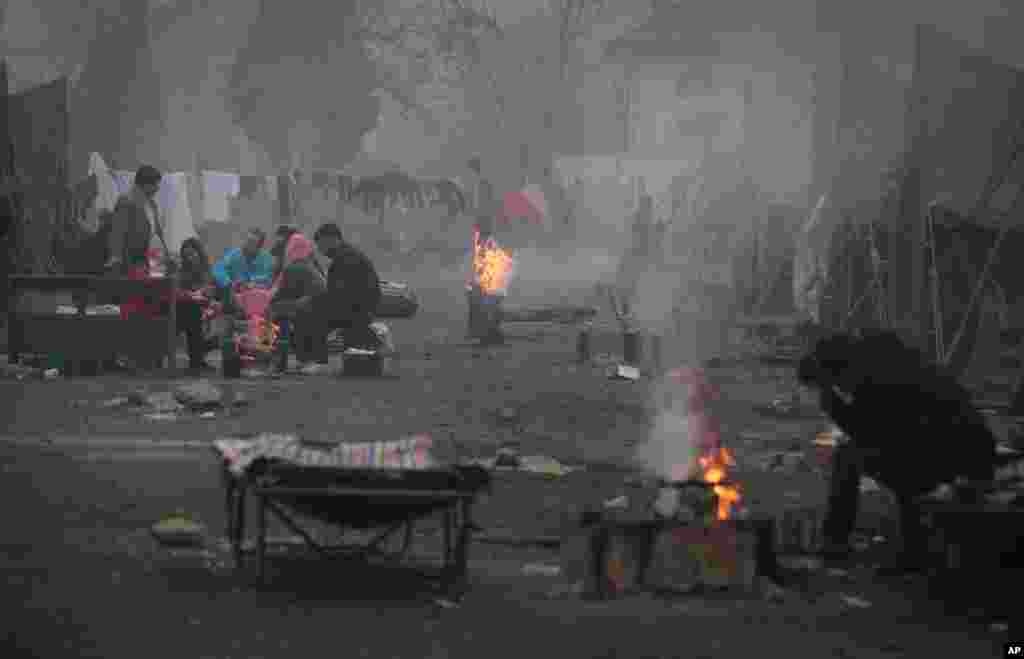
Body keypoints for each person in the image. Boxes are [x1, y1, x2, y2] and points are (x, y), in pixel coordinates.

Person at [798, 330, 997, 574]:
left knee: (855, 455)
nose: (841, 389)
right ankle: (861, 542)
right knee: (874, 452)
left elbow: (878, 436)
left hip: (959, 454)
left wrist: (835, 407)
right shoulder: (884, 361)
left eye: (834, 383)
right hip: (964, 448)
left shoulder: (879, 378)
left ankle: (899, 549)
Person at [311, 222, 383, 355]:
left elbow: (340, 295)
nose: (319, 249)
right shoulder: (346, 254)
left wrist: (314, 300)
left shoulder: (346, 258)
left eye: (320, 244)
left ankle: (313, 358)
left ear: (332, 239)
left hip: (358, 310)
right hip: (360, 307)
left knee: (307, 313)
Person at [268, 231, 327, 374]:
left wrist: (271, 300)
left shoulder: (296, 267)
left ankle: (272, 356)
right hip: (310, 307)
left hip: (306, 308)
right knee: (285, 319)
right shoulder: (308, 265)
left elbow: (281, 290)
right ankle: (304, 360)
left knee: (271, 316)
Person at [175, 238, 218, 374]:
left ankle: (196, 360)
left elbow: (209, 290)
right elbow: (176, 291)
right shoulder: (182, 271)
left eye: (192, 254)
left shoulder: (206, 270)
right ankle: (196, 360)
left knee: (194, 314)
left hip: (201, 309)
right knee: (192, 313)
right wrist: (190, 294)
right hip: (180, 312)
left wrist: (204, 293)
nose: (190, 258)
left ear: (199, 253)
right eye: (186, 255)